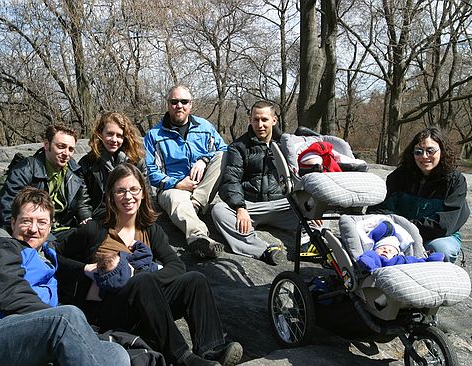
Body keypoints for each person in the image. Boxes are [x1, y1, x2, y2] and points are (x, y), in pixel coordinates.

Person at [55, 163, 243, 366]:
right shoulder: (94, 229)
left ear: (143, 193)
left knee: (194, 280)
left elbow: (176, 266)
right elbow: (56, 256)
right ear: (111, 196)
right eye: (121, 191)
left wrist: (141, 275)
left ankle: (209, 351)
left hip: (146, 302)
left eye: (134, 189)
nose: (128, 197)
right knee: (143, 281)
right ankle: (183, 358)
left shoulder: (150, 230)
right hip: (108, 310)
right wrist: (84, 269)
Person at [0, 187, 130, 366]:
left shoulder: (47, 256)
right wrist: (67, 323)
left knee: (116, 352)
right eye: (26, 221)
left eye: (41, 222)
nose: (33, 229)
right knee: (67, 317)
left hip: (34, 338)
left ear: (50, 227)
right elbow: (8, 293)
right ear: (13, 223)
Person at [144, 85, 228, 259]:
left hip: (201, 188)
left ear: (191, 104)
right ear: (168, 105)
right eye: (174, 102)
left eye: (184, 101)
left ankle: (195, 204)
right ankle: (201, 239)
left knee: (223, 156)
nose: (179, 106)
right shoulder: (154, 135)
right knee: (177, 198)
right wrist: (176, 183)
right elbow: (149, 171)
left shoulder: (205, 127)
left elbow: (224, 149)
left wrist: (204, 160)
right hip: (171, 189)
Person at [211, 101, 298, 265]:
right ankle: (264, 251)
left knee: (319, 208)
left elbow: (300, 176)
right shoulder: (238, 147)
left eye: (264, 120)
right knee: (219, 210)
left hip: (283, 205)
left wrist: (310, 206)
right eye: (256, 120)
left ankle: (309, 245)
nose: (260, 125)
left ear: (274, 120)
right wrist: (240, 207)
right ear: (250, 120)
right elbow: (231, 180)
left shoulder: (287, 144)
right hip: (251, 207)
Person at [369, 127, 470, 263]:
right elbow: (378, 208)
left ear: (442, 151)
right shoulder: (398, 177)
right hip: (397, 232)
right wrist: (396, 231)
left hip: (436, 236)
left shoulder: (455, 181)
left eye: (430, 151)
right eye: (418, 152)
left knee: (441, 250)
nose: (424, 156)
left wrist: (409, 228)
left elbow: (445, 224)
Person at [0, 124, 92, 240]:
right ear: (47, 145)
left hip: (62, 229)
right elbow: (9, 207)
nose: (66, 153)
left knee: (94, 233)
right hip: (32, 230)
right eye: (61, 146)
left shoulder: (75, 172)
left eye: (71, 149)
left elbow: (82, 203)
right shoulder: (25, 169)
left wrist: (86, 218)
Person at [80, 112, 147, 220]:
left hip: (131, 214)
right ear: (100, 134)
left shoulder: (136, 162)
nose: (114, 140)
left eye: (119, 135)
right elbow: (83, 202)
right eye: (110, 134)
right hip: (100, 216)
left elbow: (146, 194)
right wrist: (86, 218)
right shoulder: (87, 163)